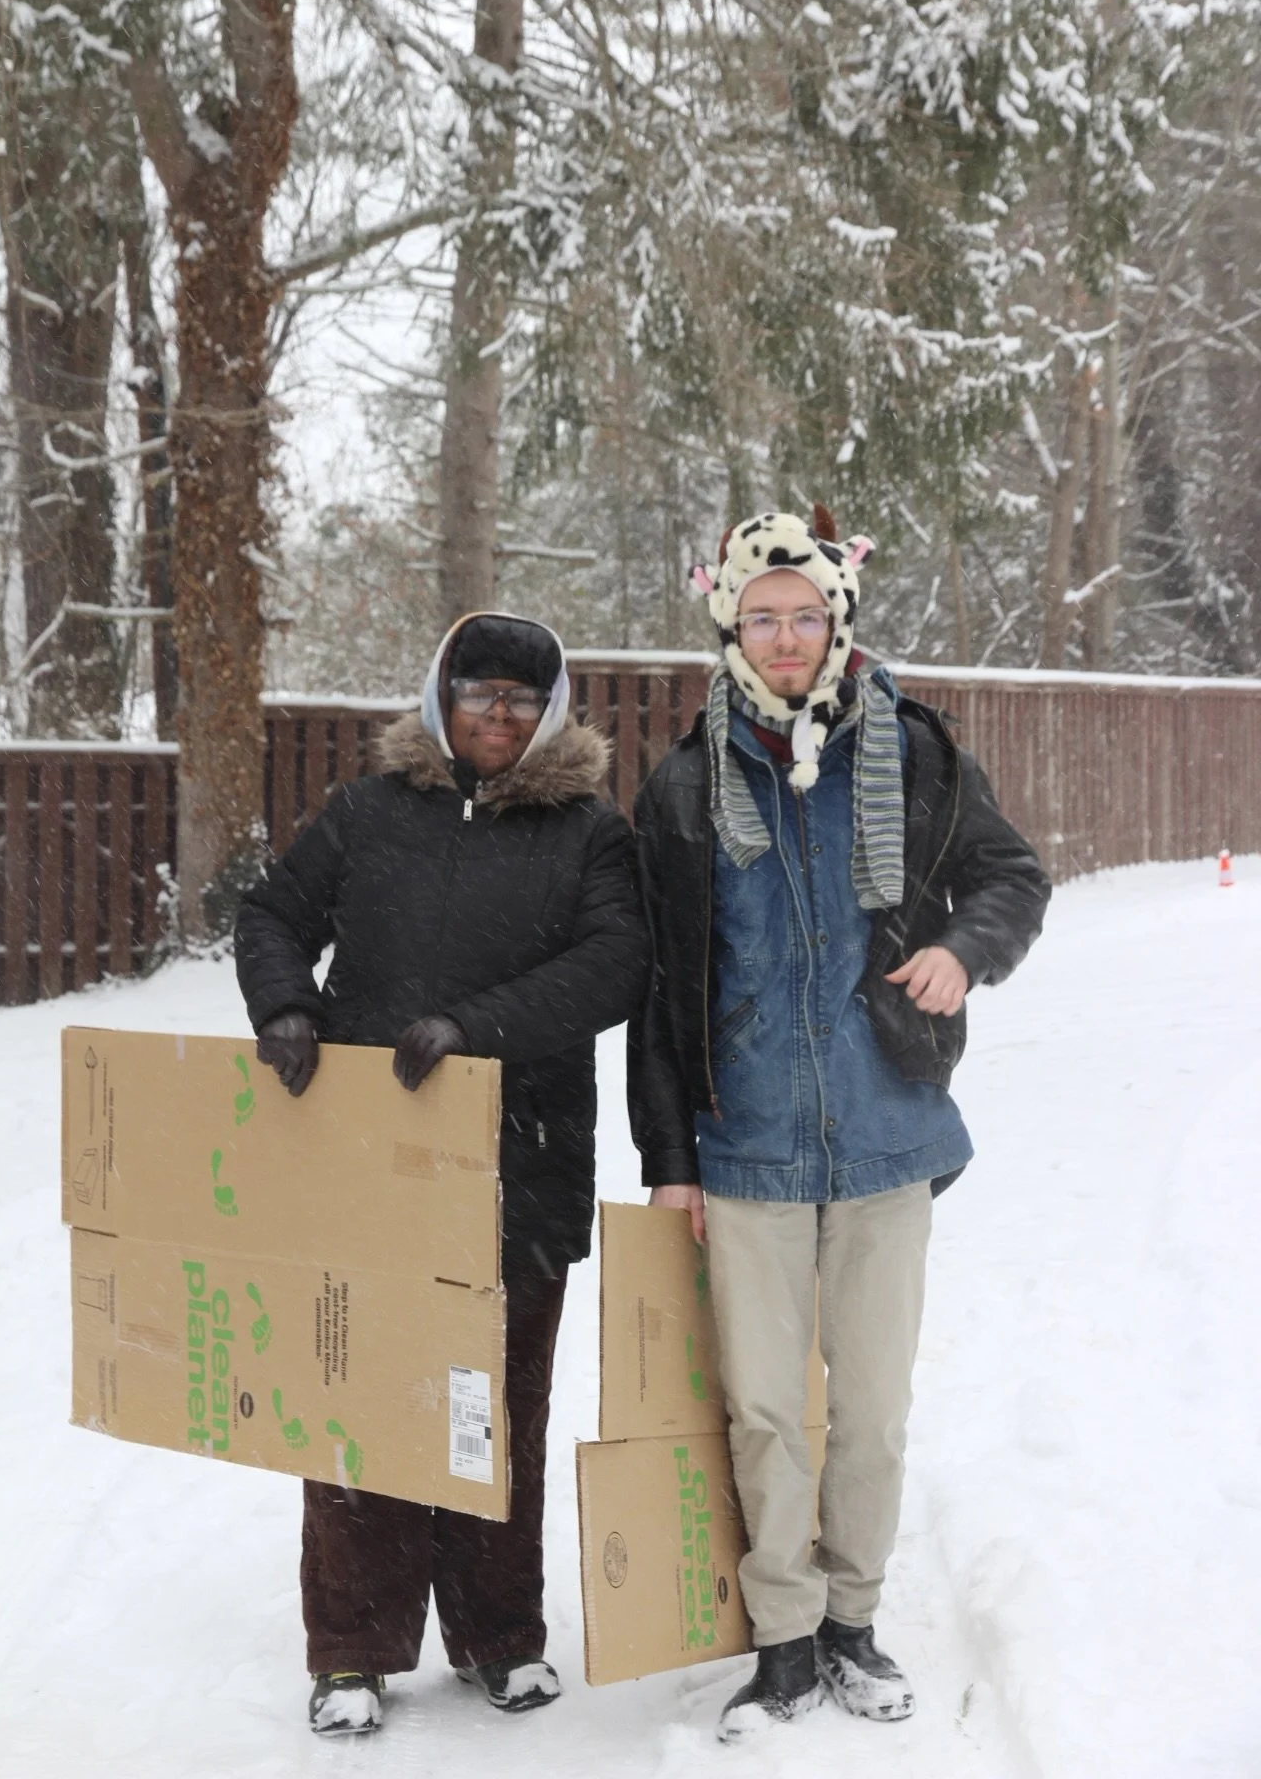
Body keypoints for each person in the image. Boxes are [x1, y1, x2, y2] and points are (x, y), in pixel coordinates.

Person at [626, 509, 1050, 1743]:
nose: (786, 637)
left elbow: (1009, 876)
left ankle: (854, 1620)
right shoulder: (682, 785)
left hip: (884, 1131)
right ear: (730, 627)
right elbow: (659, 989)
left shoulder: (910, 749)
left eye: (805, 615)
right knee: (763, 1410)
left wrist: (963, 955)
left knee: (867, 1405)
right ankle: (784, 1640)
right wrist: (669, 1160)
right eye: (761, 617)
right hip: (745, 1141)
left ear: (836, 620)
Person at [234, 612, 648, 1735]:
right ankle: (354, 1650)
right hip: (374, 1165)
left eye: (521, 698)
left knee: (494, 1408)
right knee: (356, 1398)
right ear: (441, 698)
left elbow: (612, 965)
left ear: (551, 711)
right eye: (479, 693)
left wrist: (475, 1026)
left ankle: (498, 1634)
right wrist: (286, 1007)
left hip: (525, 1159)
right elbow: (273, 911)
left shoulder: (586, 831)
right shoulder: (370, 813)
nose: (497, 715)